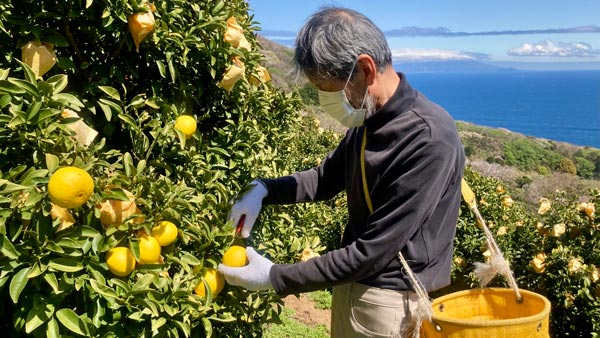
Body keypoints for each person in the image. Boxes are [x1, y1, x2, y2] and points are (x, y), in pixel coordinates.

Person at [218, 6, 465, 338]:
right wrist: (264, 189)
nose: (326, 100)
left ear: (365, 69)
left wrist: (277, 276)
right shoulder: (370, 120)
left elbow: (373, 252)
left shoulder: (429, 139)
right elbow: (324, 179)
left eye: (328, 87)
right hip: (350, 286)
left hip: (390, 303)